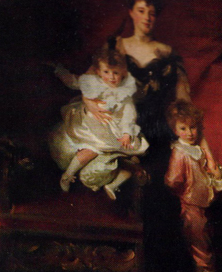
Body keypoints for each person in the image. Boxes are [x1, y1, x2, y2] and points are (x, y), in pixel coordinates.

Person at [165, 101, 222, 272]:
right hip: (191, 210)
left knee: (201, 257)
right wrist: (187, 193)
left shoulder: (196, 149)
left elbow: (214, 177)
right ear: (175, 130)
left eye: (193, 127)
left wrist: (209, 156)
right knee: (206, 258)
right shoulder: (179, 153)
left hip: (202, 208)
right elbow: (172, 181)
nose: (189, 133)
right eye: (183, 129)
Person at [49, 45, 148, 198]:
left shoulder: (124, 92)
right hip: (90, 124)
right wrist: (59, 70)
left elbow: (129, 113)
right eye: (106, 72)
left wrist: (127, 133)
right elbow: (74, 82)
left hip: (112, 127)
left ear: (122, 73)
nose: (111, 77)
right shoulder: (93, 83)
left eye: (116, 73)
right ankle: (67, 176)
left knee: (96, 150)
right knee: (91, 149)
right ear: (98, 72)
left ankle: (69, 175)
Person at [115, 0, 190, 152]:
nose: (147, 18)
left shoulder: (167, 52)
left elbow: (182, 94)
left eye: (152, 13)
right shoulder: (118, 46)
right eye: (141, 11)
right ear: (131, 12)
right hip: (122, 124)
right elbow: (92, 80)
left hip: (156, 126)